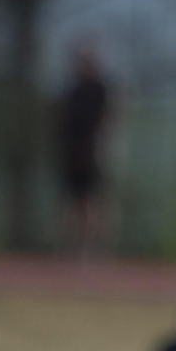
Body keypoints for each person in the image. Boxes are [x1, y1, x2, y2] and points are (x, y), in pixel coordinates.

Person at [54, 39, 114, 256]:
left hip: (92, 152)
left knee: (92, 201)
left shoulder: (100, 90)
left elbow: (107, 120)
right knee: (70, 200)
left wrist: (100, 147)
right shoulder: (72, 91)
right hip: (71, 152)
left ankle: (93, 249)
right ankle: (68, 248)